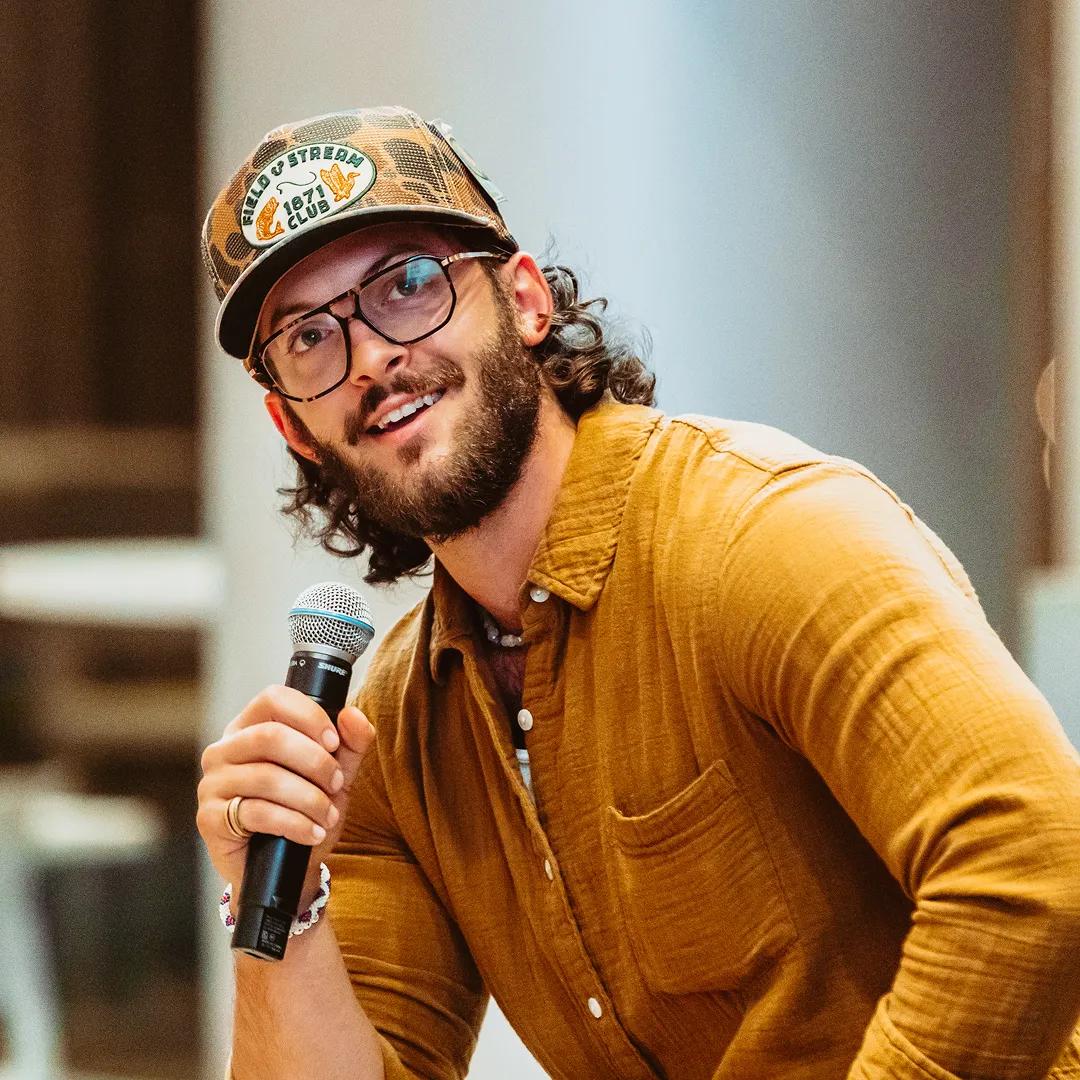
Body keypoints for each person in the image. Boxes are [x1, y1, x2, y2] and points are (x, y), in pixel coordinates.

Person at [196, 106, 1080, 1080]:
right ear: (295, 427)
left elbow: (1033, 858)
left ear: (525, 301)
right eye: (311, 337)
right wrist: (280, 907)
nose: (369, 357)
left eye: (408, 285)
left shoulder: (764, 538)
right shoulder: (397, 728)